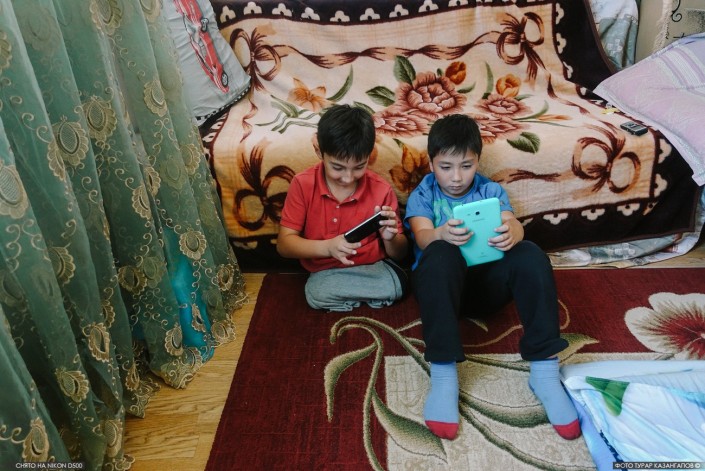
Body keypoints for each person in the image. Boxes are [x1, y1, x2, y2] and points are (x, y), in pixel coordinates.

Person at [404, 114, 581, 441]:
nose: (456, 177)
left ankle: (544, 371)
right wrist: (440, 234)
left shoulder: (490, 190)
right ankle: (443, 375)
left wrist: (513, 231)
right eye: (445, 167)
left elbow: (511, 221)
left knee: (529, 252)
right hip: (441, 293)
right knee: (440, 252)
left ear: (478, 161)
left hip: (485, 289)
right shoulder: (424, 193)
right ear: (431, 164)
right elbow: (422, 236)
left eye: (466, 166)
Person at [277, 104, 409, 311]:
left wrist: (390, 238)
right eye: (337, 167)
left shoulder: (381, 189)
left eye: (359, 167)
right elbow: (284, 245)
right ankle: (375, 294)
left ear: (369, 156)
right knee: (316, 292)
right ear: (319, 151)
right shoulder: (302, 184)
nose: (348, 178)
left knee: (321, 293)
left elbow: (399, 254)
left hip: (371, 266)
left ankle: (353, 295)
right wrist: (328, 247)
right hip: (325, 269)